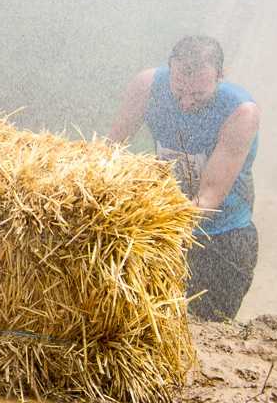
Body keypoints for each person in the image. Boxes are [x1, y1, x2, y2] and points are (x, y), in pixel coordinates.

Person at [106, 35, 260, 322]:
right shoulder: (147, 86)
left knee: (204, 330)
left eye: (198, 95)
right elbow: (109, 150)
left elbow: (208, 198)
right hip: (168, 232)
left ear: (221, 77)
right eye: (178, 92)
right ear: (170, 72)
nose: (187, 101)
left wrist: (147, 225)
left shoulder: (241, 112)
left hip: (223, 239)